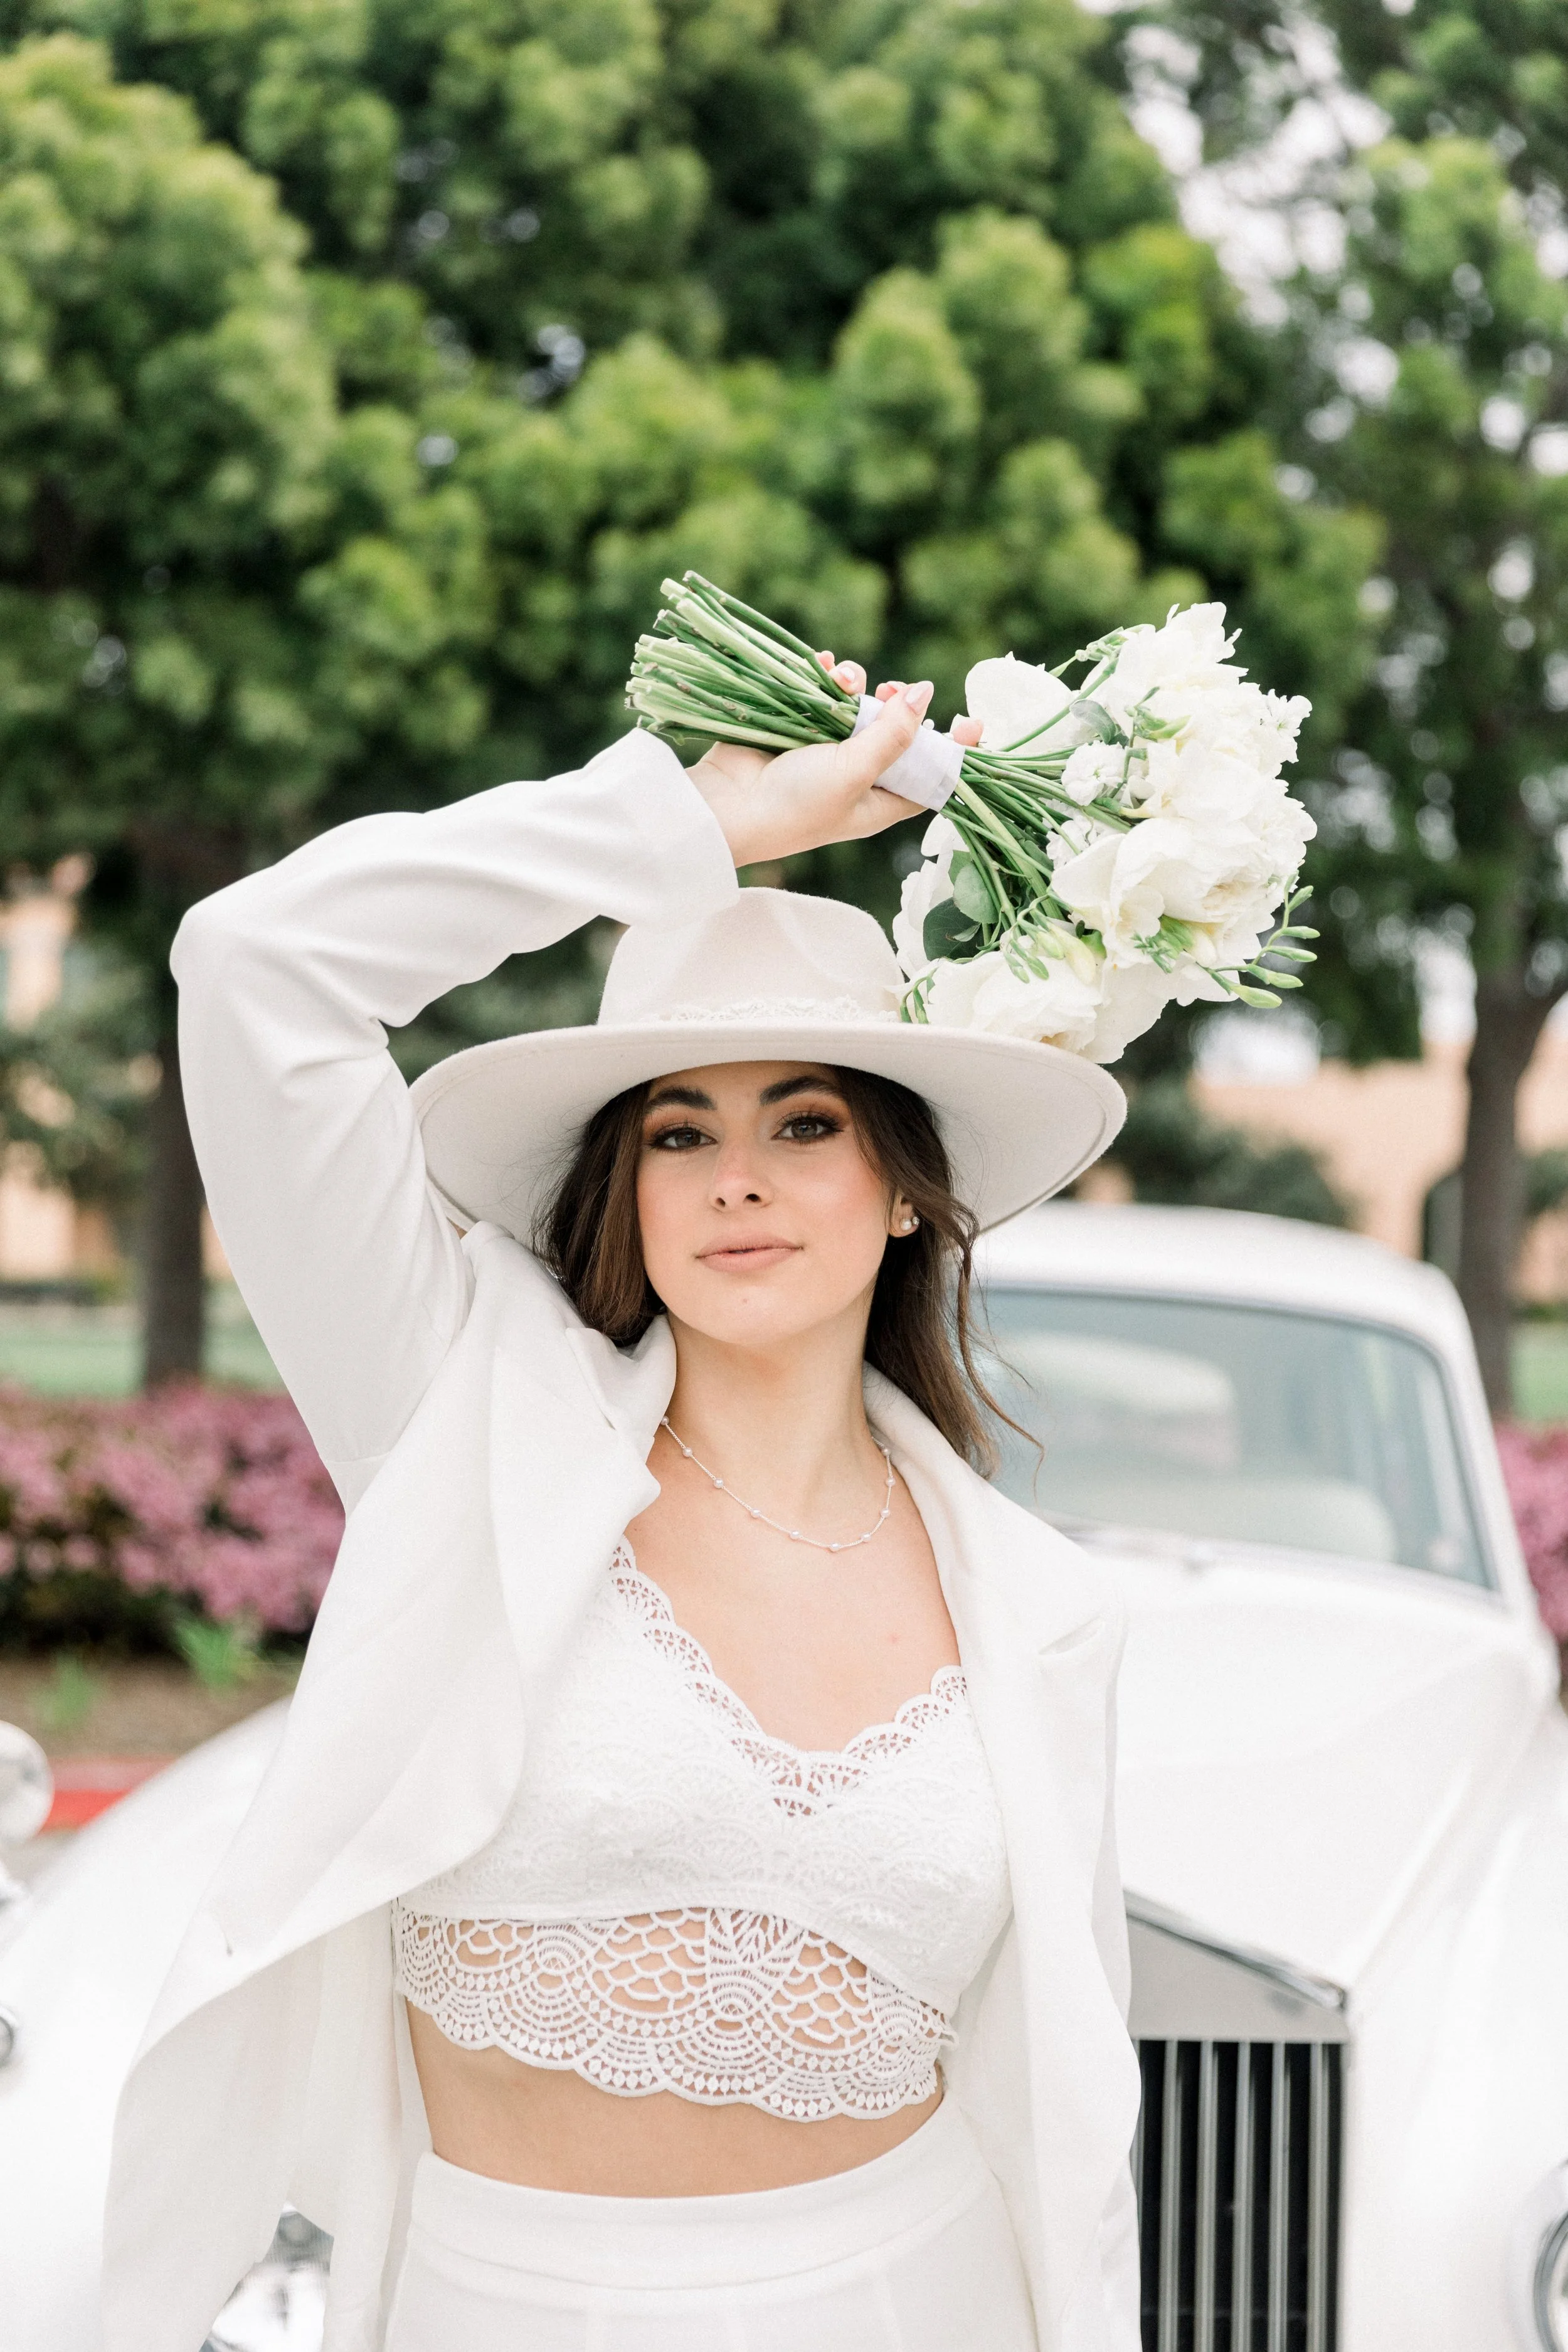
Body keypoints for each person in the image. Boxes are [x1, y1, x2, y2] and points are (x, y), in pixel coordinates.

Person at [103, 664, 1140, 2352]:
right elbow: (255, 966)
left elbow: (1067, 2140)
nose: (736, 1174)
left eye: (804, 1120)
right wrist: (685, 823)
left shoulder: (1036, 1606)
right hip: (503, 2301)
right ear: (626, 1186)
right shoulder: (462, 1420)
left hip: (912, 2295)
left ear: (897, 1189)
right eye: (680, 1129)